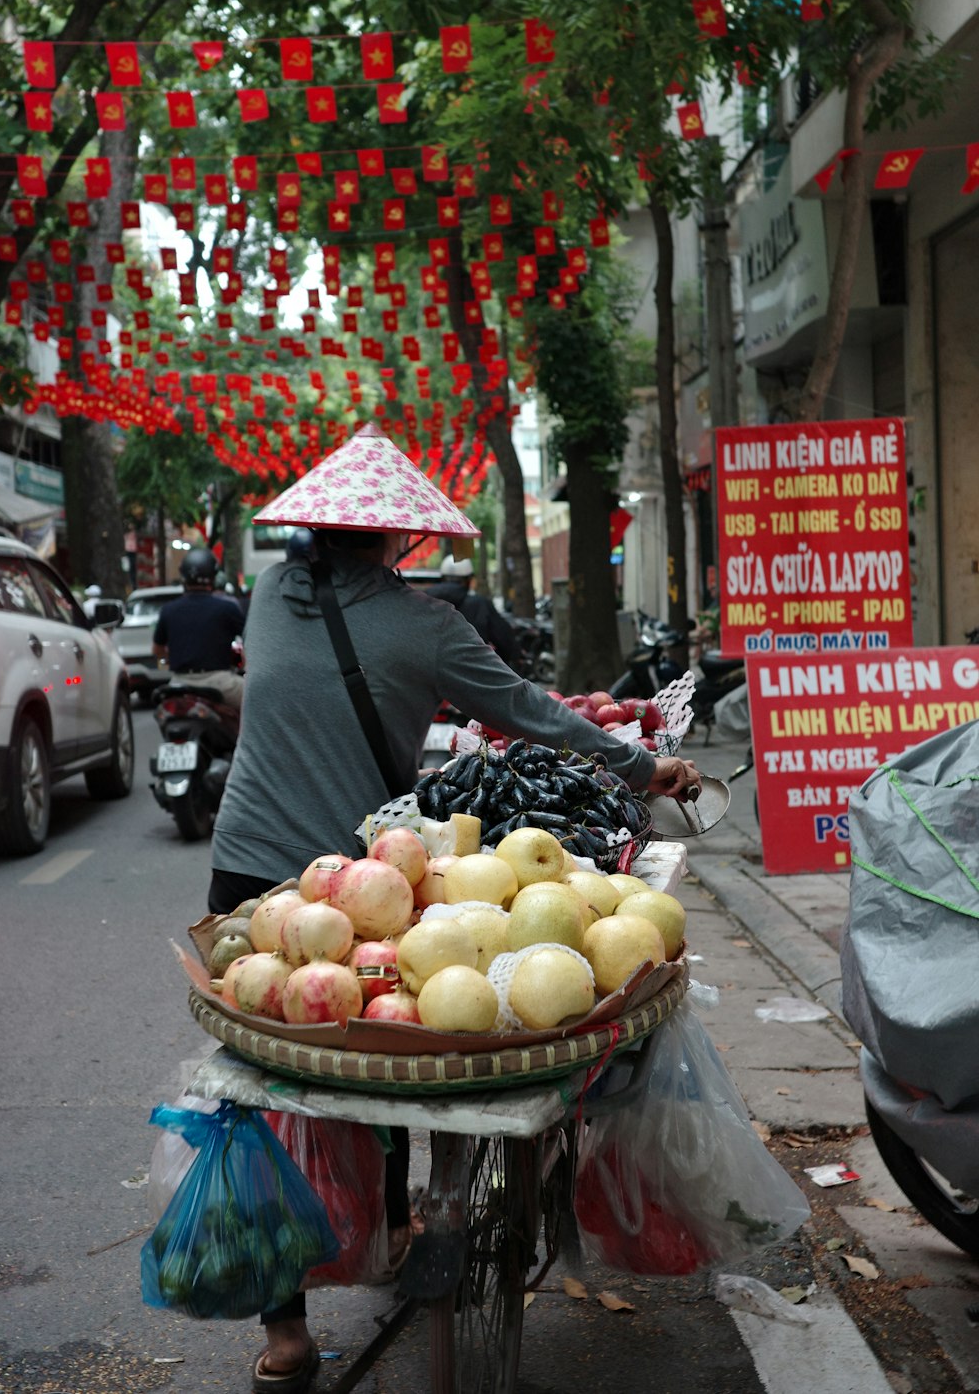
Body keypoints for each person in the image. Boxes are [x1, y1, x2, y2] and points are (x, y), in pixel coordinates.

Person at [207, 425, 700, 1393]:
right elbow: (535, 714)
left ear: (313, 527)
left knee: (273, 1094)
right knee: (393, 1052)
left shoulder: (269, 594)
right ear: (400, 540)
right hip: (351, 889)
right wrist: (646, 765)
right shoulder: (424, 625)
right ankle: (396, 1227)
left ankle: (286, 1336)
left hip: (246, 885)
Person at [151, 546, 246, 710]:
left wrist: (172, 658)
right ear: (213, 577)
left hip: (179, 682)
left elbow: (157, 650)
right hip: (220, 683)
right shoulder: (227, 608)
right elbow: (250, 639)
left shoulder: (169, 610)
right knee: (257, 701)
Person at [425, 553, 522, 669]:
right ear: (469, 580)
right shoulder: (479, 604)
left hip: (429, 672)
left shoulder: (423, 601)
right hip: (472, 672)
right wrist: (516, 655)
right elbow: (504, 638)